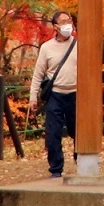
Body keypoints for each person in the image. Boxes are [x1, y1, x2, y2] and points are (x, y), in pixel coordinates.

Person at [28, 10, 82, 179]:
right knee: (53, 134)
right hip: (55, 95)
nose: (68, 24)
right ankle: (56, 169)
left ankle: (81, 163)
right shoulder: (46, 48)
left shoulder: (79, 45)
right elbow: (38, 74)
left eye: (70, 20)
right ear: (55, 26)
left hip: (75, 94)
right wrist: (33, 97)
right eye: (64, 21)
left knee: (78, 132)